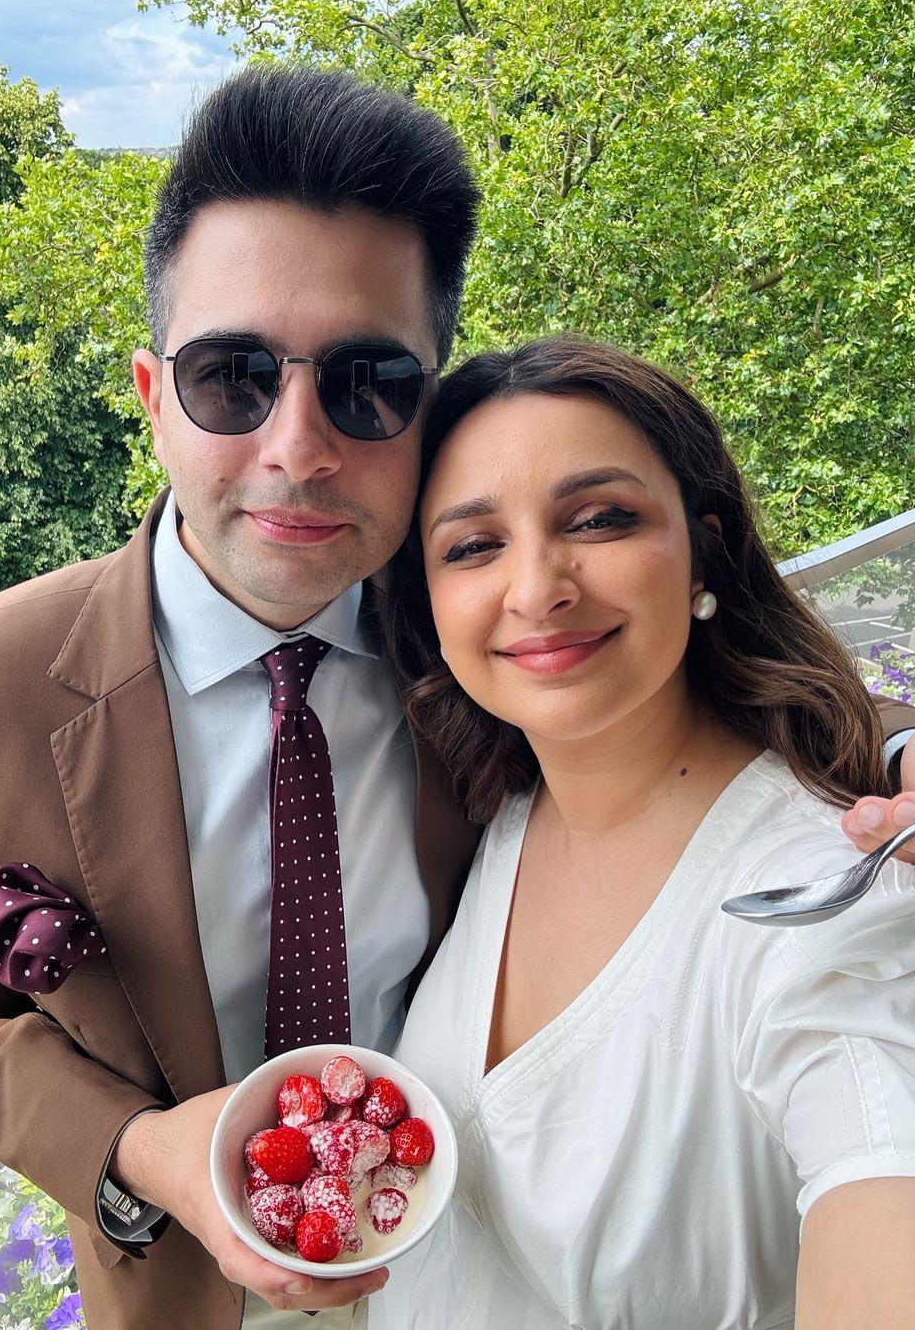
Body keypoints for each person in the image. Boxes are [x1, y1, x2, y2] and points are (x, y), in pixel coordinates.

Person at [0, 68, 914, 1330]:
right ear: (152, 400)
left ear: (426, 412)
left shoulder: (493, 662)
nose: (299, 444)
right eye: (231, 376)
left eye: (368, 381)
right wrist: (149, 1155)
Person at [369, 336, 915, 1330]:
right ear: (430, 600)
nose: (537, 589)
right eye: (473, 546)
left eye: (601, 519)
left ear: (704, 548)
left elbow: (880, 1151)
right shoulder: (491, 813)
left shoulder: (823, 908)